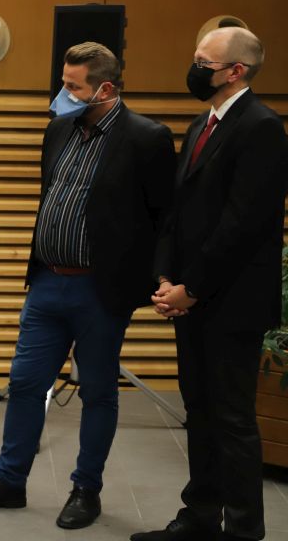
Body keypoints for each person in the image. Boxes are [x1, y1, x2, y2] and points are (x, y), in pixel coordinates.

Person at [0, 42, 176, 529]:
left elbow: (164, 218)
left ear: (106, 89)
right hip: (48, 284)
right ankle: (9, 481)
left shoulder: (147, 138)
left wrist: (161, 278)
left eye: (74, 87)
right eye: (64, 83)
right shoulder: (58, 130)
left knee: (97, 392)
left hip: (101, 292)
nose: (63, 94)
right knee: (24, 384)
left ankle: (85, 490)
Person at [133, 27, 287, 541]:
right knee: (197, 412)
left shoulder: (262, 127)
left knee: (232, 420)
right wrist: (164, 277)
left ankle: (244, 531)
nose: (195, 68)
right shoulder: (203, 123)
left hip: (232, 303)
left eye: (204, 61)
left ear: (235, 71)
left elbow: (242, 225)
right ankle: (200, 516)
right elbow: (178, 213)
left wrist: (191, 288)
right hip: (192, 298)